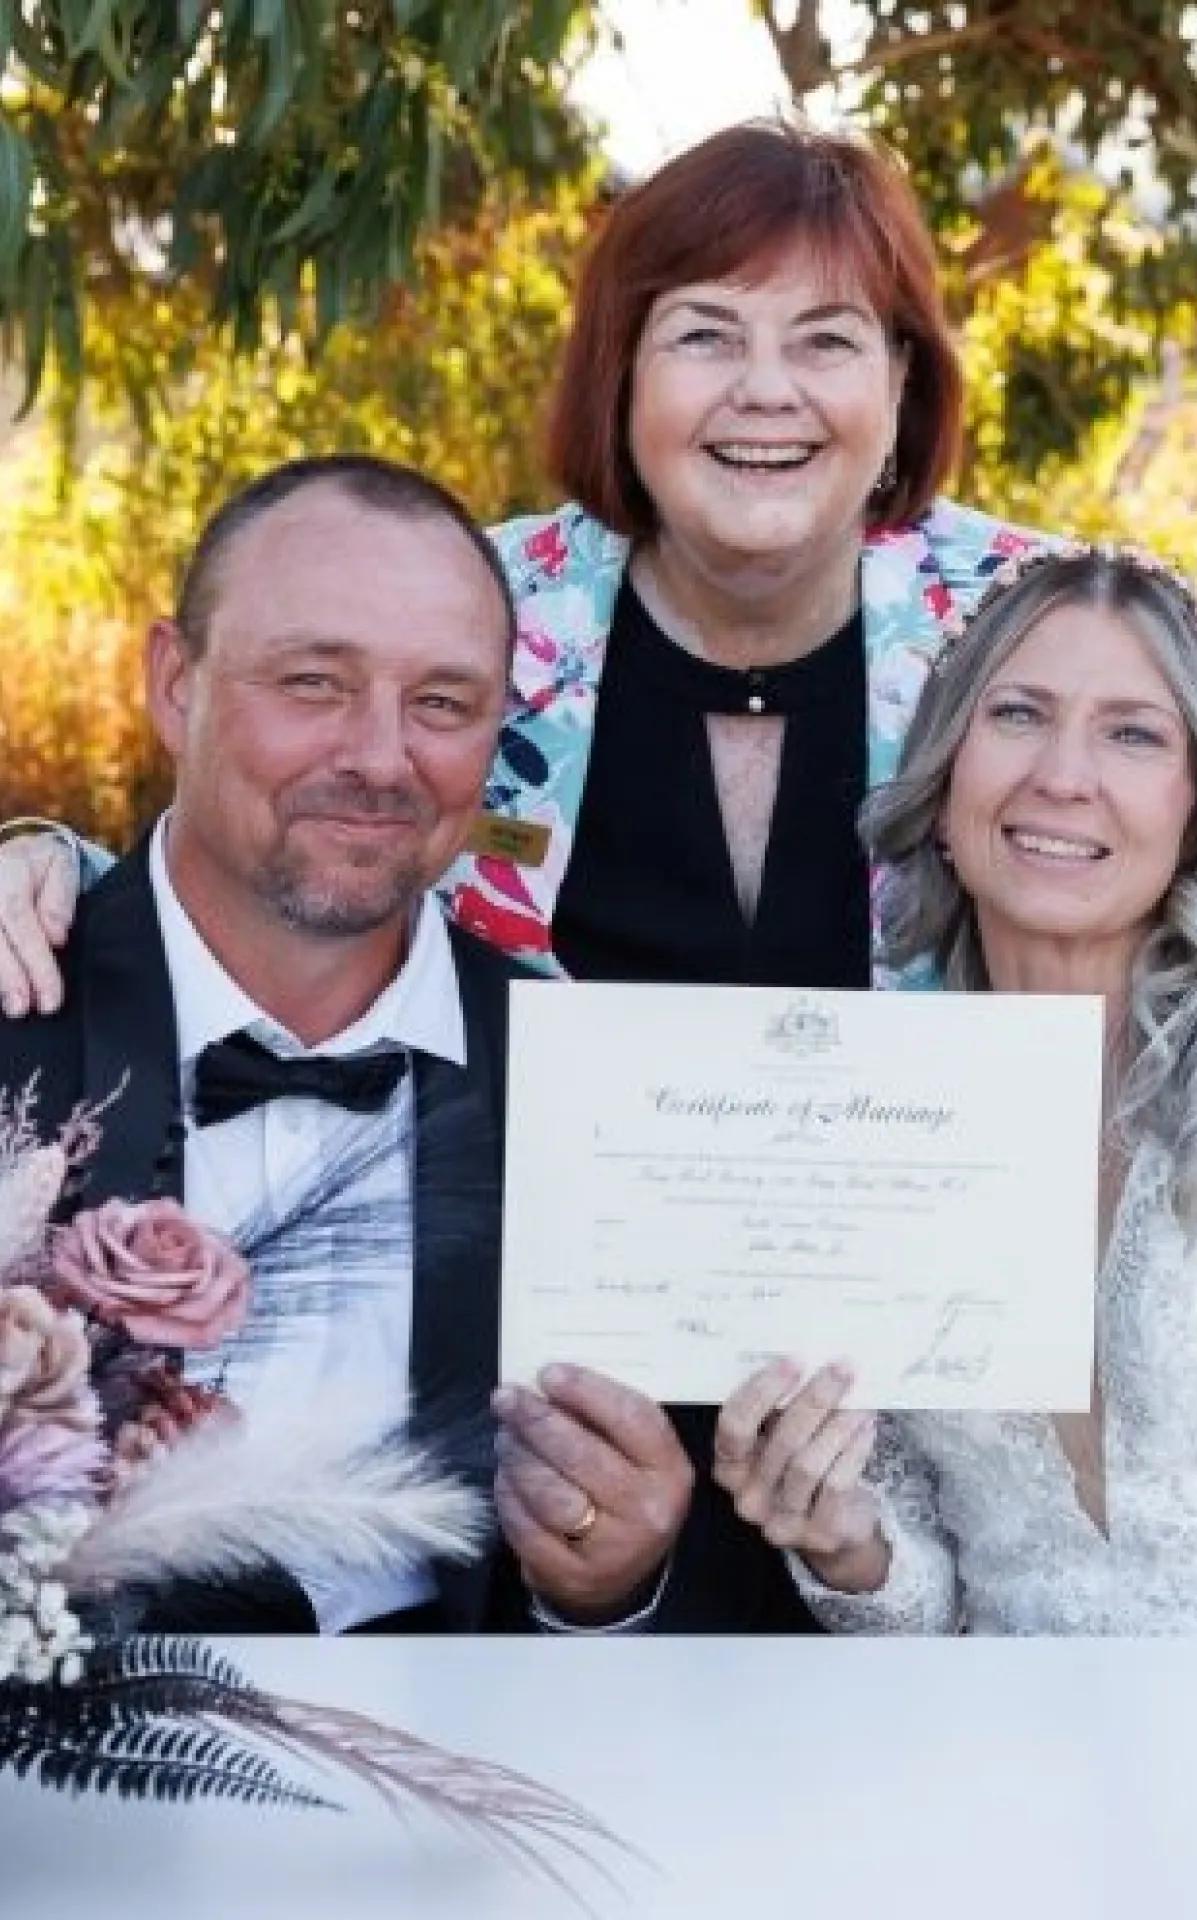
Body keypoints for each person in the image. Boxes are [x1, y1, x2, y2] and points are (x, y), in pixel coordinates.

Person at [1, 124, 1197, 1630]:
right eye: (705, 336)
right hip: (553, 1450)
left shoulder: (1007, 632)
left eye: (826, 340)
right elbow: (303, 802)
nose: (767, 391)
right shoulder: (493, 621)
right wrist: (53, 868)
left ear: (901, 393)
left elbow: (1174, 825)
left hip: (891, 1455)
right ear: (622, 386)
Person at [0, 453, 702, 1635]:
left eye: (442, 703)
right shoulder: (17, 1028)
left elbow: (647, 1599)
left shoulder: (590, 1098)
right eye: (315, 683)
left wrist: (606, 1588)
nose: (381, 759)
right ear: (176, 683)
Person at [712, 541, 1197, 1634]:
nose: (1063, 775)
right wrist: (846, 1544)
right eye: (1017, 715)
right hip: (1016, 1778)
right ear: (947, 775)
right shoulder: (876, 1123)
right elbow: (925, 1612)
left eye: (1133, 733)